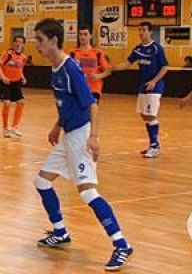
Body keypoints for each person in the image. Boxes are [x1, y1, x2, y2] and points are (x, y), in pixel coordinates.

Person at [33, 18, 133, 271]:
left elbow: (92, 103)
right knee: (42, 181)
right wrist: (57, 125)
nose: (37, 45)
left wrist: (94, 137)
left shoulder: (70, 68)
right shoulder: (54, 69)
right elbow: (65, 103)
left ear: (54, 41)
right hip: (68, 134)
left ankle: (121, 244)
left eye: (40, 40)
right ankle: (60, 232)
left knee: (88, 192)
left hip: (80, 135)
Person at [111, 21, 168, 158]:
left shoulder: (157, 48)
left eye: (143, 30)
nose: (141, 32)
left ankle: (155, 145)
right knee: (144, 115)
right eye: (140, 30)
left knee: (150, 115)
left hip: (154, 87)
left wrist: (154, 81)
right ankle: (153, 144)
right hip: (142, 87)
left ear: (150, 32)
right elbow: (127, 63)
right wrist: (113, 68)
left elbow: (165, 66)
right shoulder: (138, 49)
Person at [0, 35, 27, 138]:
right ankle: (5, 129)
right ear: (13, 43)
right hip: (5, 82)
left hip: (16, 82)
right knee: (7, 103)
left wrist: (22, 77)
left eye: (21, 42)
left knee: (21, 102)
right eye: (17, 42)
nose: (18, 44)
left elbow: (19, 69)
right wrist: (3, 76)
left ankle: (15, 127)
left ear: (23, 44)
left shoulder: (23, 57)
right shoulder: (7, 54)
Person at [70, 26, 111, 103]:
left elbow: (108, 71)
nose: (83, 37)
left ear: (90, 36)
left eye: (85, 34)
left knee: (91, 113)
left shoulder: (98, 53)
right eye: (81, 34)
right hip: (77, 89)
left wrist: (99, 76)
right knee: (80, 114)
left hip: (94, 89)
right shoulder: (73, 53)